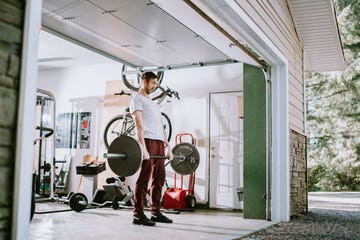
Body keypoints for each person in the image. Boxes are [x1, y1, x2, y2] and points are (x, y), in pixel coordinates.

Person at [129, 71, 173, 226]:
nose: (155, 86)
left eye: (156, 84)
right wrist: (143, 148)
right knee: (144, 178)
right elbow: (139, 124)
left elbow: (160, 125)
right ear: (143, 81)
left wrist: (168, 146)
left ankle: (155, 212)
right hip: (147, 140)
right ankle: (138, 214)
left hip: (159, 142)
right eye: (153, 83)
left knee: (159, 177)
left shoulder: (153, 102)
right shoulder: (136, 99)